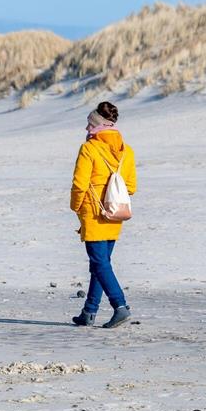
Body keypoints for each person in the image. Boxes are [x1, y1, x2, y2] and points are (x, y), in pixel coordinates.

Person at [69, 101, 137, 328]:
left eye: (90, 125)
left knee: (99, 262)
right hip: (116, 212)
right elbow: (131, 187)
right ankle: (89, 312)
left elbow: (79, 184)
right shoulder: (127, 151)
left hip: (94, 212)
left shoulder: (89, 149)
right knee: (101, 263)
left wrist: (76, 207)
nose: (87, 129)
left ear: (99, 127)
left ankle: (120, 306)